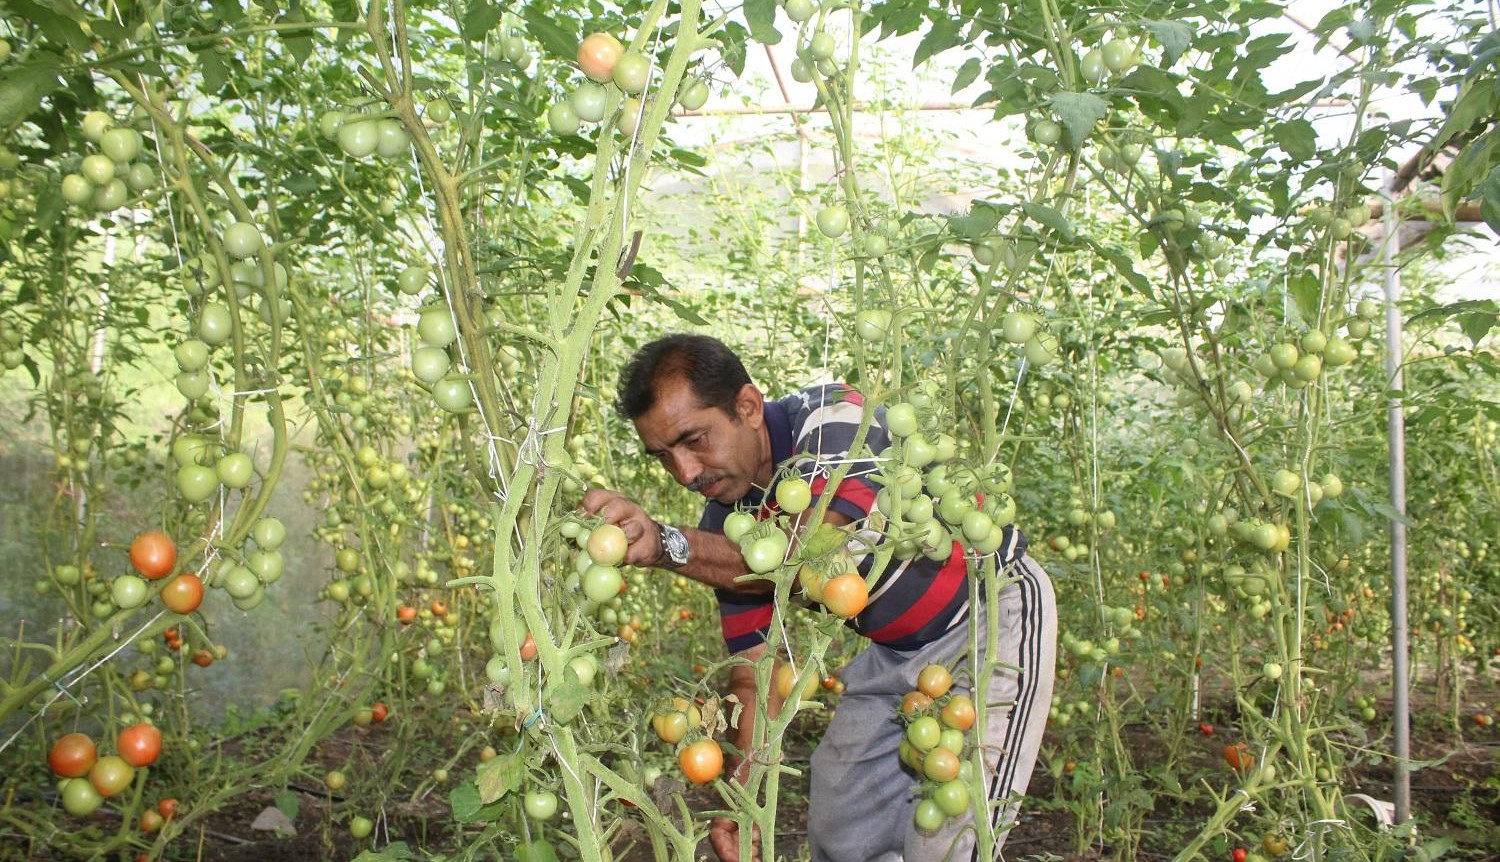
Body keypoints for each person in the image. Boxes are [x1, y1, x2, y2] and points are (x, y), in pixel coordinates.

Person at [581, 334, 1056, 862]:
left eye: (694, 440)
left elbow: (808, 550)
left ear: (748, 406)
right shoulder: (725, 523)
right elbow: (755, 672)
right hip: (895, 656)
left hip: (991, 618)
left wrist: (667, 544)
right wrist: (741, 797)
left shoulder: (833, 418)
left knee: (953, 844)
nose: (686, 474)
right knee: (842, 833)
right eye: (664, 457)